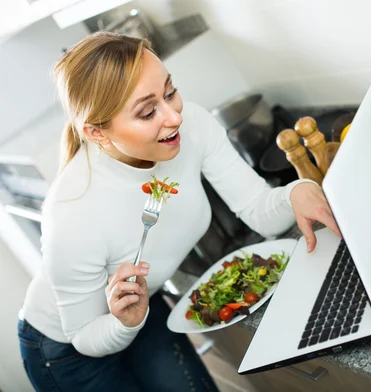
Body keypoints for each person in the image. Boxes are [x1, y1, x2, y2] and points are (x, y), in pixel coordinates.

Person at [17, 32, 341, 392]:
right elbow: (82, 335)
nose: (174, 116)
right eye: (147, 111)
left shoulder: (193, 126)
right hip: (64, 348)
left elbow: (257, 209)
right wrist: (125, 323)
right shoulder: (71, 215)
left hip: (139, 305)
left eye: (169, 93)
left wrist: (295, 193)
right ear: (97, 133)